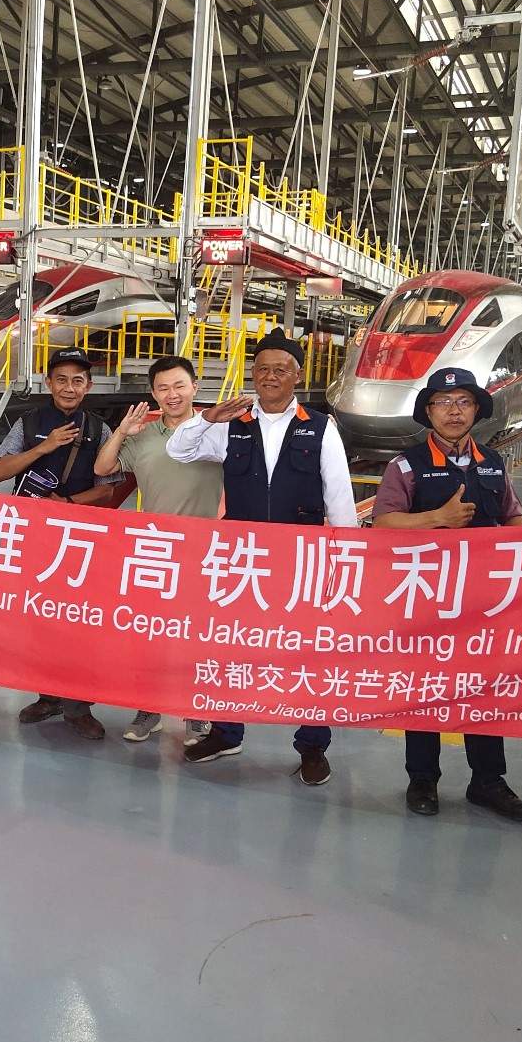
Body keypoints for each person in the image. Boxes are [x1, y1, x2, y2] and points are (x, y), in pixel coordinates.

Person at [167, 327, 358, 784]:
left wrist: (345, 562)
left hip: (303, 561)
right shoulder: (232, 423)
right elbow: (179, 449)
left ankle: (312, 745)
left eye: (281, 369)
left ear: (298, 376)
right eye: (262, 369)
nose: (270, 376)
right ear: (253, 374)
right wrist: (206, 417)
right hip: (242, 559)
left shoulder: (321, 427)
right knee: (231, 645)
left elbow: (340, 499)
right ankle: (226, 731)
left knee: (308, 653)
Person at [371, 367, 522, 822]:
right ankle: (422, 778)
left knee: (482, 688)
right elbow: (383, 523)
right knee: (425, 687)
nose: (454, 411)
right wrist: (437, 519)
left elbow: (513, 515)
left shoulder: (493, 462)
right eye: (443, 402)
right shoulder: (405, 466)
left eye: (463, 401)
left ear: (477, 410)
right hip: (426, 598)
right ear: (428, 412)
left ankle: (488, 781)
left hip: (484, 601)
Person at [0, 345, 124, 740]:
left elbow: (107, 489)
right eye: (61, 379)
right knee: (39, 619)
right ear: (48, 382)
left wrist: (67, 504)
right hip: (35, 538)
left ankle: (78, 707)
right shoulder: (28, 422)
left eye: (77, 380)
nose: (69, 387)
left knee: (80, 623)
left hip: (82, 541)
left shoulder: (99, 430)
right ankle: (47, 696)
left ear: (88, 386)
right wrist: (44, 447)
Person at [94, 354, 223, 743]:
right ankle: (148, 708)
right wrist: (122, 432)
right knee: (151, 636)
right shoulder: (143, 435)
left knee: (199, 636)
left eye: (180, 385)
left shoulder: (216, 430)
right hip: (155, 549)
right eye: (163, 388)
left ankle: (198, 712)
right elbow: (103, 468)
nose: (172, 394)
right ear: (153, 393)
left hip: (204, 549)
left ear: (195, 388)